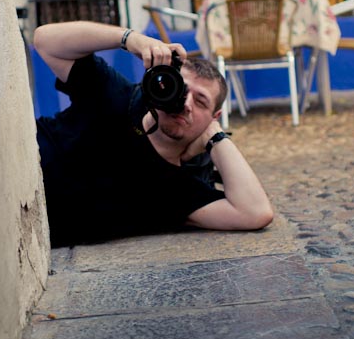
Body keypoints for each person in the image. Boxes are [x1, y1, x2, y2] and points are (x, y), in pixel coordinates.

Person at [34, 21, 273, 247]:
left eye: (201, 102)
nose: (186, 103)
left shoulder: (181, 188)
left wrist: (216, 138)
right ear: (162, 85)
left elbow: (255, 212)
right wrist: (130, 39)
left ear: (215, 117)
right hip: (18, 167)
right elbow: (45, 40)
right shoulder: (115, 95)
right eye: (180, 89)